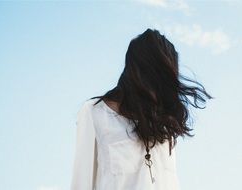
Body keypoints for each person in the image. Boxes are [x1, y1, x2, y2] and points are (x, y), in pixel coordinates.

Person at [70, 28, 213, 190]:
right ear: (139, 70)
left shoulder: (165, 126)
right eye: (158, 75)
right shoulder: (95, 113)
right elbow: (81, 183)